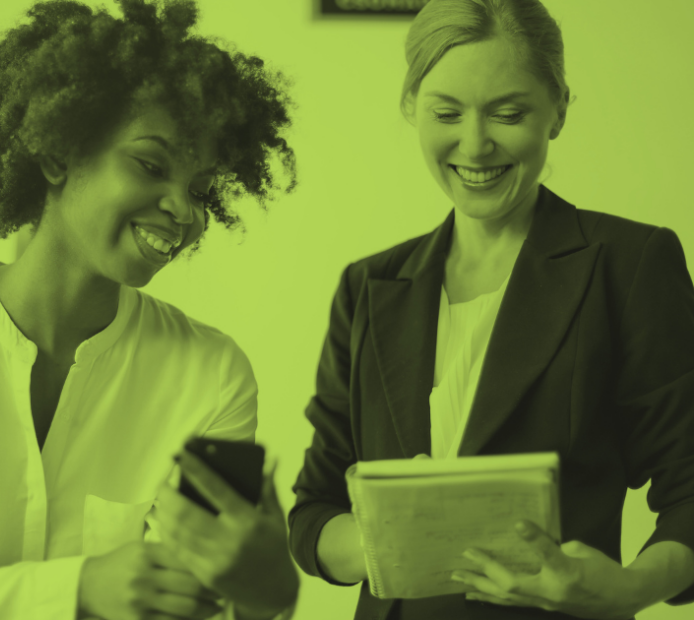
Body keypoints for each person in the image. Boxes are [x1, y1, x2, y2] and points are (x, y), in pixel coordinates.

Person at [0, 1, 299, 619]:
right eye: (151, 165)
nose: (183, 210)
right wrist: (80, 589)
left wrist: (265, 592)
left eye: (200, 187)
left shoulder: (212, 374)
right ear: (58, 155)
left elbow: (188, 600)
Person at [287, 0, 694, 618]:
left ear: (557, 111)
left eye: (509, 113)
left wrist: (628, 588)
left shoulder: (631, 264)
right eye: (446, 113)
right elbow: (314, 512)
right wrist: (393, 533)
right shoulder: (368, 286)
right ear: (411, 107)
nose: (474, 146)